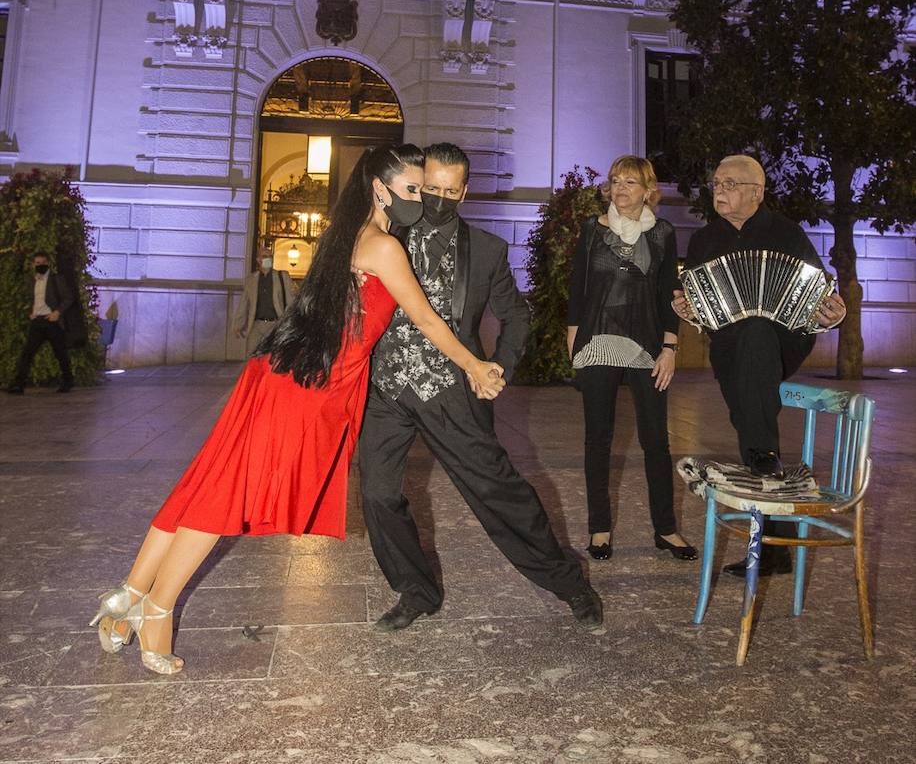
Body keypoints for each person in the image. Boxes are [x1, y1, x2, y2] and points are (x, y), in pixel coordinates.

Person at [89, 144, 505, 676]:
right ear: (380, 188)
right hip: (307, 388)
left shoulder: (350, 235)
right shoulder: (382, 247)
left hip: (285, 375)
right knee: (222, 497)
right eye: (412, 190)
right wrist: (474, 364)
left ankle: (128, 597)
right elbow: (424, 319)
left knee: (206, 482)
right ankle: (157, 610)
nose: (420, 200)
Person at [359, 142, 604, 633]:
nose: (439, 198)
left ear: (464, 192)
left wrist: (499, 369)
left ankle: (569, 582)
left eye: (451, 191)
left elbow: (516, 314)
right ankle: (417, 591)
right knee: (378, 494)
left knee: (498, 492)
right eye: (430, 188)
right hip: (386, 386)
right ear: (419, 184)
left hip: (451, 389)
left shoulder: (487, 249)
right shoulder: (391, 234)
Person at [672, 154, 846, 576]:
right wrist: (687, 309)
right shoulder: (703, 241)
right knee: (755, 415)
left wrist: (833, 315)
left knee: (756, 330)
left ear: (757, 192)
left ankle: (763, 459)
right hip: (729, 348)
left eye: (730, 184)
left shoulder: (786, 232)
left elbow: (820, 298)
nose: (720, 191)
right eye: (716, 183)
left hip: (783, 340)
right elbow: (701, 306)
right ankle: (773, 536)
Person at [566, 156, 696, 563]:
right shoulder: (592, 230)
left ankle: (666, 529)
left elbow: (667, 292)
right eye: (615, 181)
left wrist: (671, 348)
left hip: (647, 346)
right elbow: (578, 289)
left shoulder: (662, 233)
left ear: (647, 190)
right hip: (599, 341)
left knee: (656, 441)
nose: (620, 188)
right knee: (598, 439)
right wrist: (574, 346)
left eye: (631, 182)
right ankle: (599, 528)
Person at [7, 251, 77, 394]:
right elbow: (29, 298)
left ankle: (68, 381)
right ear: (33, 264)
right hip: (37, 321)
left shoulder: (56, 279)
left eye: (43, 263)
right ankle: (18, 384)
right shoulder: (31, 280)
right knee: (27, 353)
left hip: (52, 321)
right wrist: (30, 312)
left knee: (60, 352)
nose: (40, 265)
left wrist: (57, 312)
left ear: (48, 263)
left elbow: (69, 297)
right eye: (37, 263)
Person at [234, 241, 294, 355]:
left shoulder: (282, 276)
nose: (269, 259)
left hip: (275, 324)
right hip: (256, 325)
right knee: (251, 357)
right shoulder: (251, 280)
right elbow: (244, 303)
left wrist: (289, 324)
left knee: (272, 359)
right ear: (258, 260)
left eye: (270, 256)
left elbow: (291, 301)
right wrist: (238, 324)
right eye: (265, 256)